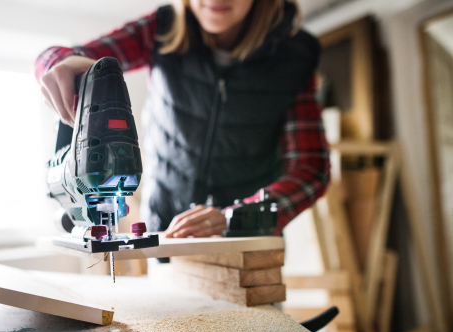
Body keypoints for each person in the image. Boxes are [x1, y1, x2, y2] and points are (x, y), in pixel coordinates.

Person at [35, 0, 330, 240]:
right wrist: (59, 64)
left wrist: (238, 217)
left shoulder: (296, 56)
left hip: (247, 238)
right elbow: (61, 56)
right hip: (165, 228)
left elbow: (310, 167)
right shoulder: (162, 28)